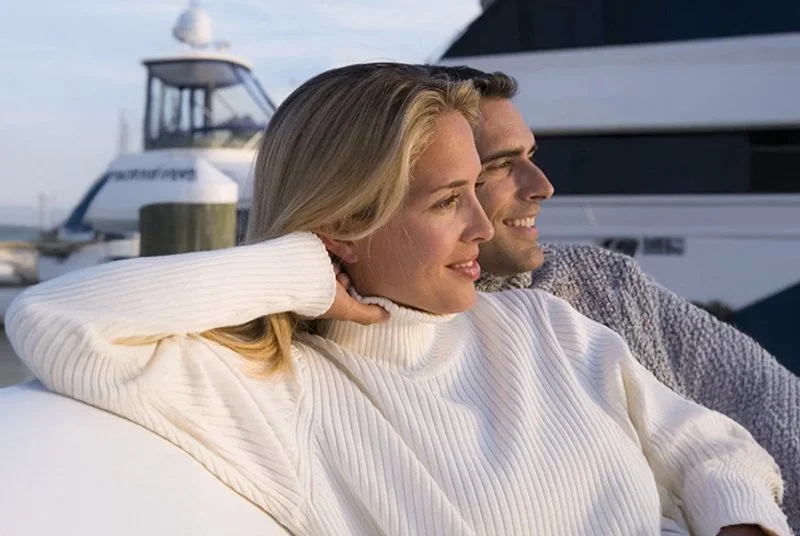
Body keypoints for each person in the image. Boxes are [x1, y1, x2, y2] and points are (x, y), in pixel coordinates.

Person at [6, 63, 790, 536]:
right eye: (450, 200)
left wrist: (739, 518)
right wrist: (303, 268)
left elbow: (713, 445)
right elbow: (54, 321)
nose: (486, 223)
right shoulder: (276, 394)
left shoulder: (546, 326)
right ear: (347, 218)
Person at [426, 64, 800, 532]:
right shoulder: (366, 341)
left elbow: (764, 401)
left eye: (532, 154)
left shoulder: (599, 281)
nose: (543, 186)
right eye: (500, 164)